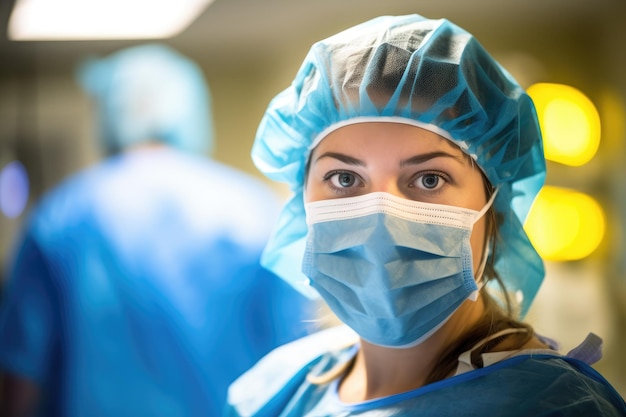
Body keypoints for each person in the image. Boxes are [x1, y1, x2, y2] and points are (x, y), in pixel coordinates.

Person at [224, 14, 626, 416]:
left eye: (429, 179)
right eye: (344, 177)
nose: (381, 216)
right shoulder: (271, 393)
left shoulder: (550, 406)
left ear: (495, 210)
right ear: (301, 202)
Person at [0, 44, 317, 417]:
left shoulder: (60, 217)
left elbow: (19, 377)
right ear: (191, 111)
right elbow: (300, 359)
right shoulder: (257, 210)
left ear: (108, 114)